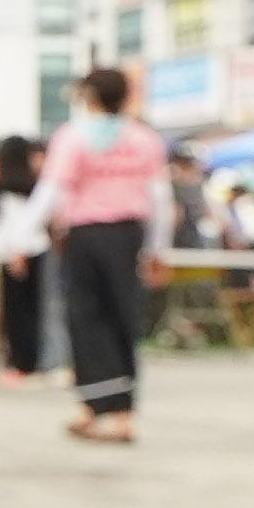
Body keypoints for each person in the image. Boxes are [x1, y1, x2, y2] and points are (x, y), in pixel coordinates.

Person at [42, 68, 166, 440]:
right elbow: (160, 198)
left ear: (89, 95)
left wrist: (17, 236)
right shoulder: (143, 139)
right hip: (128, 235)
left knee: (86, 318)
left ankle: (100, 408)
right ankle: (115, 410)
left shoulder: (72, 137)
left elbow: (53, 191)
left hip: (85, 234)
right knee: (122, 317)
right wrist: (159, 248)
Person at [0, 134, 54, 380]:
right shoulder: (35, 184)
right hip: (36, 250)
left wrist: (16, 252)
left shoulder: (3, 187)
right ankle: (31, 360)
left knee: (16, 311)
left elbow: (11, 222)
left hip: (15, 252)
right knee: (34, 308)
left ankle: (21, 363)